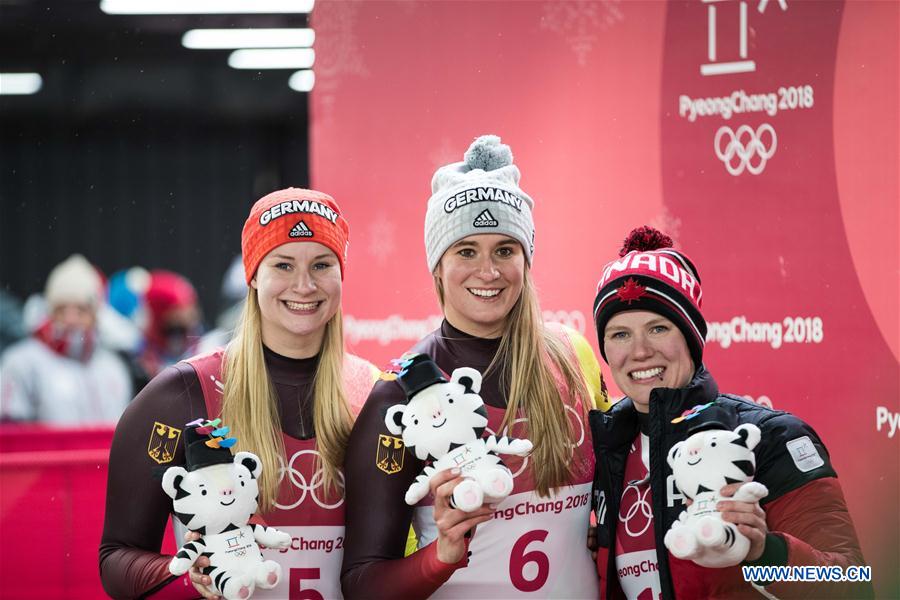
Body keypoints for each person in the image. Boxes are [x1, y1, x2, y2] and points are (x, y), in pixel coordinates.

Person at [341, 135, 611, 598]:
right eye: (466, 251)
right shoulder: (400, 392)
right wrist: (441, 555)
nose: (488, 272)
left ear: (526, 260)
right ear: (437, 266)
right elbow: (362, 584)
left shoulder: (571, 355)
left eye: (505, 250)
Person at [99, 188, 380, 599]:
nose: (304, 285)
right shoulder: (181, 394)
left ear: (341, 274)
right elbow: (116, 558)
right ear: (253, 275)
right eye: (283, 264)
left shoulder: (372, 390)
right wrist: (191, 576)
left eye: (321, 264)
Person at [589, 226, 872, 599]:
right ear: (605, 348)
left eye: (658, 328)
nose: (639, 351)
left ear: (691, 339)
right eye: (620, 334)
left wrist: (761, 552)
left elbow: (852, 586)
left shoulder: (771, 437)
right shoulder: (605, 445)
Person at [0, 254, 131, 425]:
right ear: (50, 312)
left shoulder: (113, 367)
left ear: (95, 315)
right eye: (62, 309)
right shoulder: (22, 363)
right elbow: (11, 435)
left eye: (80, 310)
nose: (71, 320)